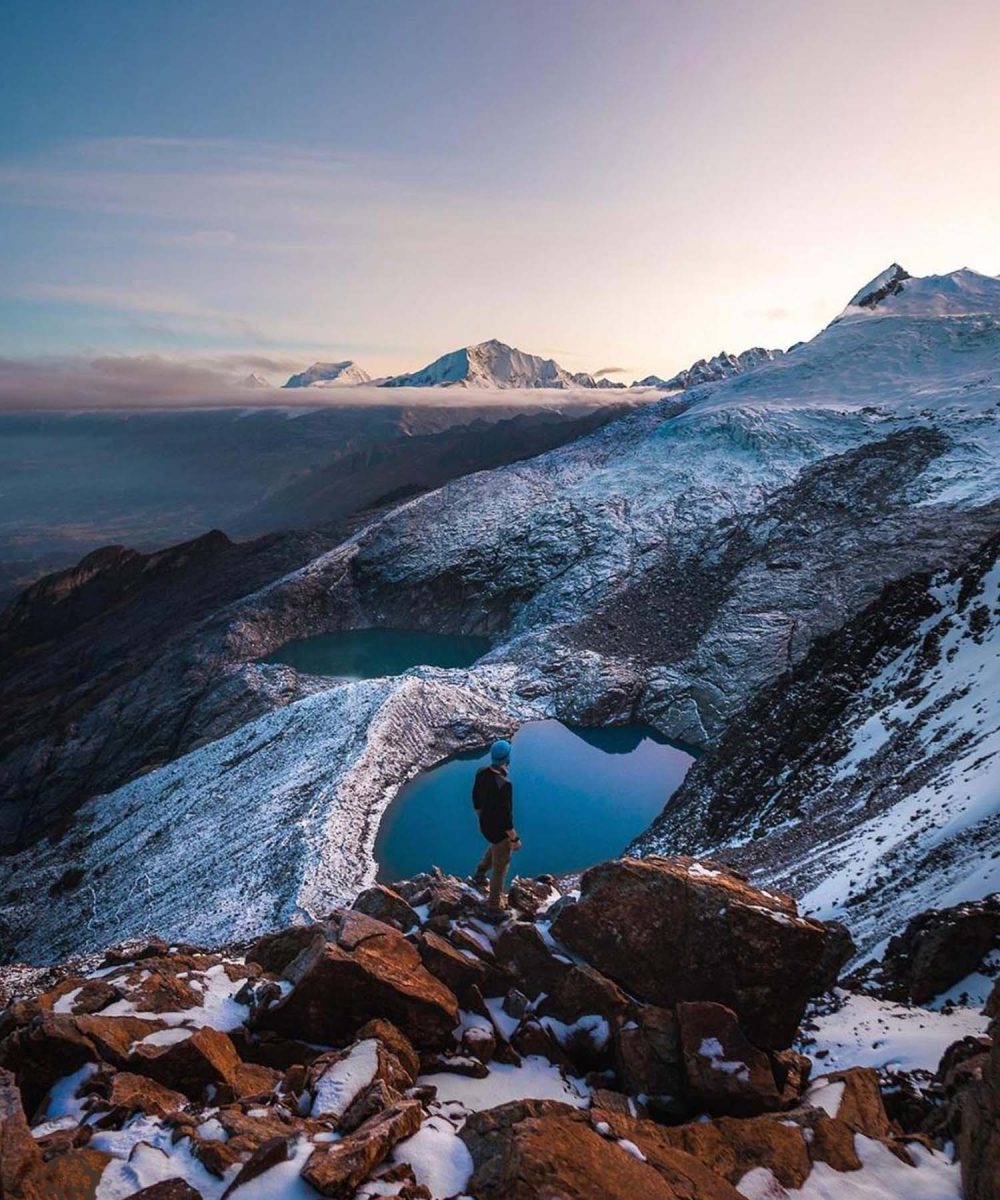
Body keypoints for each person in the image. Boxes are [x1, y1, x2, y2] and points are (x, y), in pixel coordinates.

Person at [471, 738, 520, 912]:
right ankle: (493, 907)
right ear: (507, 759)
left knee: (495, 846)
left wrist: (483, 818)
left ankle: (479, 873)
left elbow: (476, 799)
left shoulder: (481, 772)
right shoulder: (505, 785)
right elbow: (506, 816)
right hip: (499, 832)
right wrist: (514, 838)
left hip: (485, 826)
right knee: (500, 868)